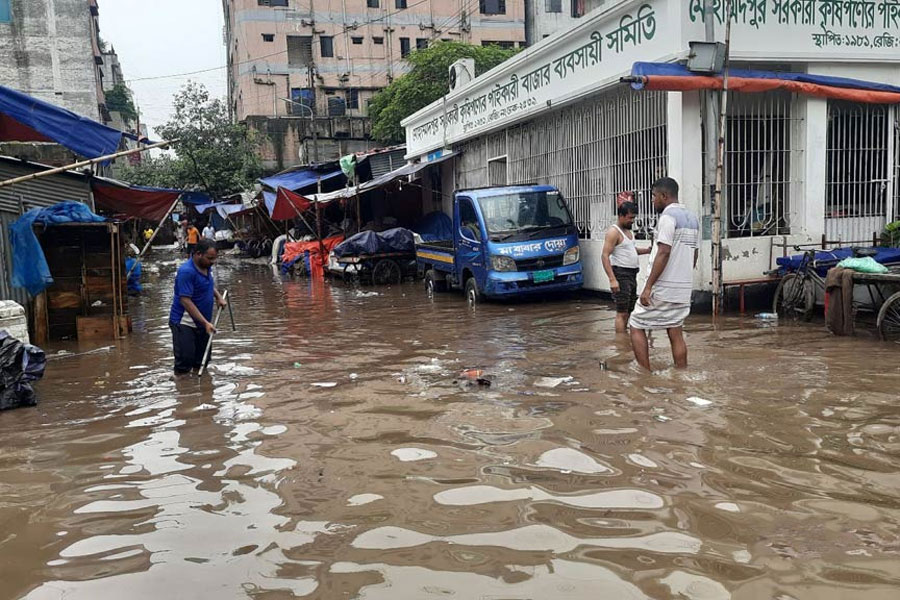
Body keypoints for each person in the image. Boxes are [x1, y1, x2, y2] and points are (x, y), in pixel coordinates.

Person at [629, 178, 699, 370]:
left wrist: (648, 287)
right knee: (675, 330)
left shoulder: (667, 217)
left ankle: (644, 373)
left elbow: (664, 252)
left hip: (663, 288)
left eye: (654, 196)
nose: (652, 200)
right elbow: (694, 254)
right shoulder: (693, 219)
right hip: (683, 288)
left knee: (635, 323)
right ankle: (681, 373)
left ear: (664, 196)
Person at [169, 239, 227, 375]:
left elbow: (207, 284)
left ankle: (201, 386)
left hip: (203, 323)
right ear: (198, 254)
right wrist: (205, 323)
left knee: (202, 362)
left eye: (214, 258)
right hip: (185, 323)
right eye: (210, 258)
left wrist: (218, 296)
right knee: (184, 363)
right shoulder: (186, 272)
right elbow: (185, 300)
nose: (213, 262)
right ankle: (182, 385)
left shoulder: (206, 266)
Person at [601, 201, 651, 333]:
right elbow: (605, 256)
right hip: (621, 274)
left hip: (632, 275)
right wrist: (612, 279)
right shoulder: (613, 232)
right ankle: (620, 341)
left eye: (634, 217)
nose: (632, 221)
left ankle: (625, 335)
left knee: (629, 309)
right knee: (622, 311)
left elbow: (631, 250)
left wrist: (647, 251)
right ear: (621, 216)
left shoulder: (629, 232)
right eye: (630, 218)